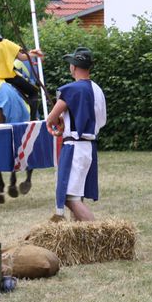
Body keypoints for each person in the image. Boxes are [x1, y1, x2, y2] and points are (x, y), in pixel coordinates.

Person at [45, 47, 107, 221]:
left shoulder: (71, 89)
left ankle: (98, 235)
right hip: (89, 146)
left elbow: (51, 119)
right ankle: (80, 238)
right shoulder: (97, 90)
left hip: (75, 148)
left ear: (73, 66)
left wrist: (57, 123)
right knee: (77, 195)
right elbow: (100, 121)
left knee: (69, 197)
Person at [0, 13, 43, 109]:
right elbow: (22, 57)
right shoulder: (6, 43)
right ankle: (32, 119)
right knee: (33, 92)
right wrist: (34, 53)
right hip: (7, 79)